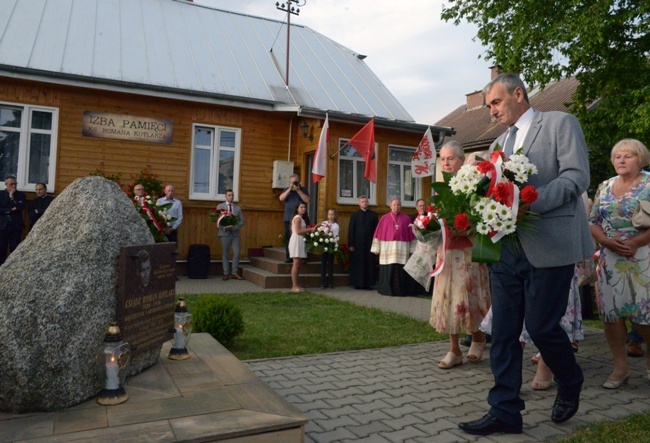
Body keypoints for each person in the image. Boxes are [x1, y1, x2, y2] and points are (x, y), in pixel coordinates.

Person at [459, 73, 593, 436]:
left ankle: (570, 378)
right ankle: (504, 410)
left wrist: (527, 204)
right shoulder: (499, 143)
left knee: (541, 327)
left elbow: (576, 177)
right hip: (506, 247)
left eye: (496, 103)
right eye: (488, 106)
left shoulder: (561, 124)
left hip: (550, 242)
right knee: (503, 332)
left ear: (518, 94)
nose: (492, 111)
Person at [589, 138, 650, 389]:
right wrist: (605, 241)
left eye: (628, 156)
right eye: (617, 156)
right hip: (610, 257)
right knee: (611, 314)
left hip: (644, 255)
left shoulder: (649, 183)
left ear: (641, 159)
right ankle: (620, 367)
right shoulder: (604, 186)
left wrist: (636, 242)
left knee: (644, 315)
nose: (621, 160)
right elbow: (593, 221)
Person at [430, 140, 491, 369]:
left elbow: (482, 217)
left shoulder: (475, 184)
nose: (446, 163)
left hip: (468, 252)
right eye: (443, 159)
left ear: (462, 160)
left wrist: (467, 226)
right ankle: (454, 350)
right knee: (448, 300)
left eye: (451, 158)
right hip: (446, 253)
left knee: (469, 296)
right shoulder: (439, 188)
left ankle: (477, 336)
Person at [371, 197, 416, 296]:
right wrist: (376, 248)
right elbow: (378, 234)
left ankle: (401, 291)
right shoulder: (384, 218)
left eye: (398, 204)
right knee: (388, 269)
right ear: (390, 206)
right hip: (388, 247)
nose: (396, 206)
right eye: (394, 204)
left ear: (401, 206)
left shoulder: (406, 218)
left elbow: (412, 236)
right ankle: (386, 290)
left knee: (401, 270)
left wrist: (412, 249)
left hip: (402, 248)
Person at [348, 195, 379, 289]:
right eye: (362, 202)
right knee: (358, 263)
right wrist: (351, 244)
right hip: (358, 244)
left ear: (368, 203)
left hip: (370, 243)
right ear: (359, 203)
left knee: (369, 263)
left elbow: (377, 230)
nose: (364, 203)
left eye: (366, 201)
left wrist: (376, 243)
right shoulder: (355, 215)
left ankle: (368, 284)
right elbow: (351, 230)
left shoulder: (373, 214)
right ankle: (357, 283)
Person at [279, 174, 310, 263]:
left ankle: (303, 256)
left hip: (302, 217)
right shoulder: (286, 190)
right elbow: (281, 198)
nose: (295, 184)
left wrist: (299, 190)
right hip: (288, 217)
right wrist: (290, 189)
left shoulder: (303, 189)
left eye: (296, 182)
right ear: (290, 182)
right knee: (289, 237)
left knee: (304, 237)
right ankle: (289, 256)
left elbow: (307, 200)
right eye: (293, 182)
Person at [216, 189, 245, 280]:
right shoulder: (220, 206)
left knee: (236, 252)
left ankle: (234, 273)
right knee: (225, 253)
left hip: (235, 233)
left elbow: (242, 221)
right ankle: (226, 273)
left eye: (232, 195)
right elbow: (217, 221)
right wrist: (224, 228)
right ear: (225, 196)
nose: (231, 197)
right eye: (229, 195)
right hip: (224, 233)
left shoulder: (237, 208)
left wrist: (234, 227)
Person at [288, 202, 317, 292]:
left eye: (304, 207)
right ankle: (294, 286)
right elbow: (298, 231)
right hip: (296, 240)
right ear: (297, 209)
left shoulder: (301, 218)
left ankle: (297, 284)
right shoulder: (297, 218)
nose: (303, 209)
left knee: (298, 264)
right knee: (296, 264)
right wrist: (310, 230)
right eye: (301, 207)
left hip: (300, 240)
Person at [0, 175, 27, 266]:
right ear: (6, 184)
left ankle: (13, 268)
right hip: (3, 226)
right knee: (1, 248)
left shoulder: (21, 195)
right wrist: (10, 210)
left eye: (15, 184)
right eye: (11, 184)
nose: (13, 186)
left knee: (15, 248)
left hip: (16, 226)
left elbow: (20, 207)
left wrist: (12, 196)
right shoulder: (1, 194)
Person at [320, 208, 340, 289]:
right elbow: (321, 232)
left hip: (331, 246)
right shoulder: (324, 223)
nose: (330, 216)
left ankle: (331, 282)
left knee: (330, 264)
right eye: (329, 214)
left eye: (332, 214)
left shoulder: (336, 226)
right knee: (323, 264)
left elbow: (335, 236)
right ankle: (323, 282)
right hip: (324, 245)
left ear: (335, 216)